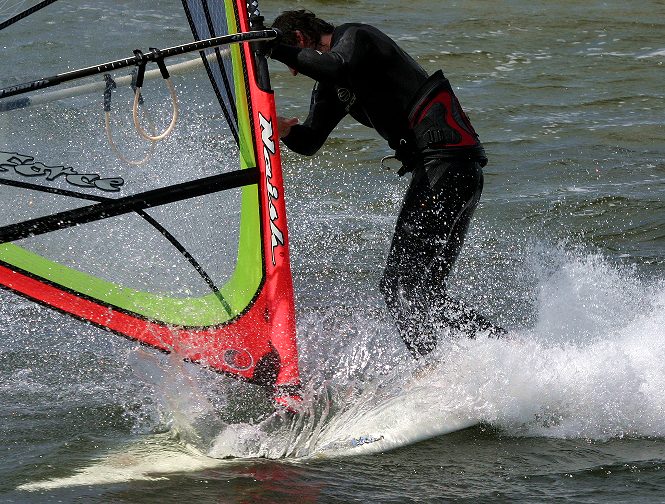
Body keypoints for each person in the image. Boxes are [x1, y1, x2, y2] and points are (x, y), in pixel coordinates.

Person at [269, 10, 504, 358]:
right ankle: (509, 350)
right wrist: (285, 130)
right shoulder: (333, 84)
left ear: (301, 40)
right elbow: (310, 141)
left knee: (400, 286)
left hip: (446, 165)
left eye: (293, 59)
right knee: (426, 293)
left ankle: (430, 370)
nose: (293, 70)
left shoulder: (358, 38)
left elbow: (333, 66)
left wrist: (272, 48)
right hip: (449, 171)